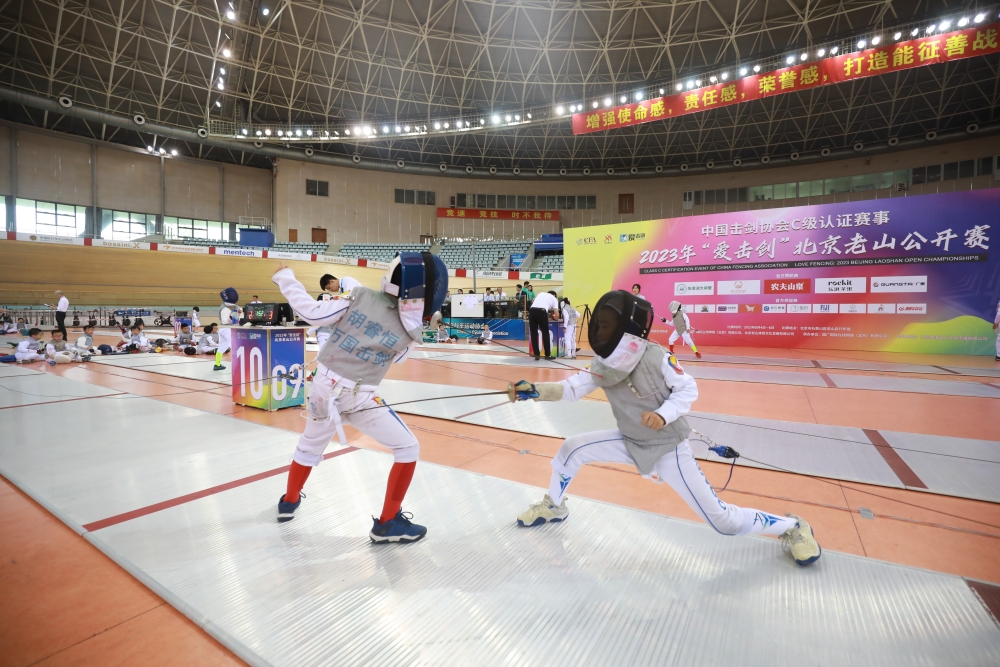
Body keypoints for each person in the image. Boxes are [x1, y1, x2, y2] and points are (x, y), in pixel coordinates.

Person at [510, 290, 821, 566]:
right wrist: (534, 389)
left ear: (625, 329)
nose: (599, 331)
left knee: (723, 521)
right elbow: (572, 388)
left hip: (668, 449)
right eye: (599, 326)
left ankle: (792, 527)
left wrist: (664, 413)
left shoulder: (657, 356)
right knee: (571, 448)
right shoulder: (603, 364)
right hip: (630, 440)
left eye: (605, 326)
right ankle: (554, 505)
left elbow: (688, 389)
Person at [271, 251, 448, 544]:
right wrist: (422, 322)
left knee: (308, 446)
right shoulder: (411, 328)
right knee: (407, 448)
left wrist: (285, 277)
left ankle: (288, 502)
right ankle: (387, 524)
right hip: (359, 397)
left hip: (322, 389)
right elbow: (401, 357)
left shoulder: (360, 295)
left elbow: (311, 313)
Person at [528, 289, 559, 360]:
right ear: (555, 296)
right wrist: (552, 318)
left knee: (533, 333)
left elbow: (535, 302)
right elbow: (557, 315)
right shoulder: (555, 299)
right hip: (542, 312)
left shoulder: (541, 293)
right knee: (545, 333)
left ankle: (536, 355)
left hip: (532, 311)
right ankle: (547, 355)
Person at [218, 288, 239, 354]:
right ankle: (237, 363)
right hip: (227, 329)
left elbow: (236, 310)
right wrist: (231, 318)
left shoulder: (230, 307)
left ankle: (217, 364)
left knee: (222, 347)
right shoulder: (225, 309)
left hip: (223, 329)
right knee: (233, 345)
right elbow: (225, 321)